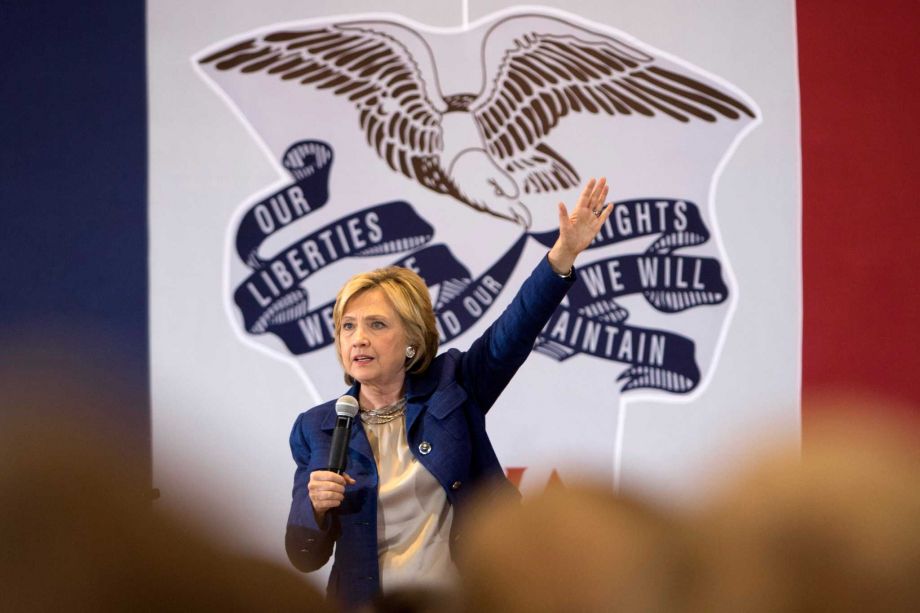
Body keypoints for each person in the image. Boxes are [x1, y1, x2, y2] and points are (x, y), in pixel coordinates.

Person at [284, 178, 614, 607]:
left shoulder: (454, 385)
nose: (358, 339)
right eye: (348, 326)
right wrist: (315, 507)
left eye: (376, 325)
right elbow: (303, 556)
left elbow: (513, 330)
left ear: (412, 341)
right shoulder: (319, 428)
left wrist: (562, 256)